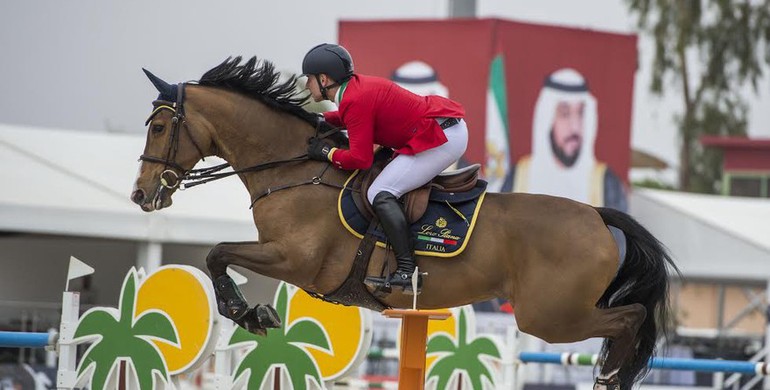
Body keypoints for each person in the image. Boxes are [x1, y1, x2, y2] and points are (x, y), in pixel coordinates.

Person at [302, 43, 468, 292]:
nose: (306, 85)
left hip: (443, 139)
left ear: (324, 79)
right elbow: (349, 117)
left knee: (379, 193)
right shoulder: (353, 90)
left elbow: (360, 160)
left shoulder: (354, 99)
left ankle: (407, 270)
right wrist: (317, 119)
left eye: (309, 79)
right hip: (444, 126)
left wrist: (328, 152)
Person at [506, 68, 627, 211]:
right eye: (564, 114)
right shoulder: (520, 177)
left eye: (581, 113)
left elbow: (618, 232)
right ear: (547, 120)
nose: (575, 127)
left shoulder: (605, 183)